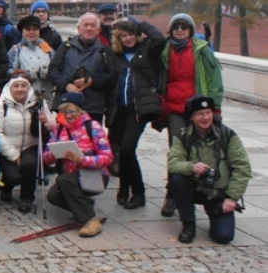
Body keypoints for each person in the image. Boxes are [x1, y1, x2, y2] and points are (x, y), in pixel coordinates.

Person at [159, 13, 223, 218]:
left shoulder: (201, 50)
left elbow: (215, 79)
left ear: (190, 30)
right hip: (173, 107)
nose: (179, 30)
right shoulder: (164, 49)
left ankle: (204, 191)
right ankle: (172, 194)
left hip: (196, 106)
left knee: (202, 148)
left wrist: (215, 108)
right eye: (176, 26)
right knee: (176, 149)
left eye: (183, 27)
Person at [168, 95, 251, 244]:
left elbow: (242, 168)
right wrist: (191, 167)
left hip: (219, 192)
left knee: (223, 236)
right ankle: (188, 224)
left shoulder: (227, 135)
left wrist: (232, 198)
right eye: (200, 114)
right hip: (195, 187)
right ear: (192, 117)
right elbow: (173, 163)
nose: (205, 117)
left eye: (208, 113)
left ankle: (214, 212)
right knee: (177, 180)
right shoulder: (183, 136)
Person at [107, 18, 165, 209]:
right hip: (119, 108)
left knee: (126, 149)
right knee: (122, 152)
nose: (128, 38)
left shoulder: (147, 50)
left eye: (131, 34)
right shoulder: (116, 55)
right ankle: (124, 189)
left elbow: (159, 39)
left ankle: (138, 192)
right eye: (124, 35)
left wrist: (139, 23)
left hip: (138, 108)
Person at [40, 92, 113, 238]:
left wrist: (82, 159)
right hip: (70, 177)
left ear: (80, 110)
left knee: (63, 181)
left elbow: (108, 157)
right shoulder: (59, 129)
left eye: (71, 111)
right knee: (53, 196)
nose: (68, 115)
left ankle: (90, 219)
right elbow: (46, 158)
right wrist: (53, 154)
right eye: (64, 112)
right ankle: (86, 208)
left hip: (94, 175)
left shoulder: (92, 127)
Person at [48, 12, 117, 123]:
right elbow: (52, 71)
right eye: (86, 25)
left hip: (93, 107)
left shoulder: (105, 50)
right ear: (79, 28)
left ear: (98, 30)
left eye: (93, 25)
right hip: (66, 105)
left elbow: (112, 76)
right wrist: (66, 85)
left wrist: (92, 81)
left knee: (90, 139)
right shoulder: (65, 47)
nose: (89, 28)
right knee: (65, 138)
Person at [0, 77, 40, 212]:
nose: (20, 89)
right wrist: (13, 154)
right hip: (7, 147)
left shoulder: (37, 103)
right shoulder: (1, 104)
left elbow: (50, 126)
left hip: (30, 145)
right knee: (14, 177)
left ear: (28, 88)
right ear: (10, 88)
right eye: (16, 86)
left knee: (29, 165)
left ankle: (26, 197)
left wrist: (47, 121)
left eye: (23, 85)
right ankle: (6, 186)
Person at [7, 15, 55, 104]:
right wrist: (26, 75)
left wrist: (48, 73)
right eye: (28, 29)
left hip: (47, 98)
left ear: (39, 31)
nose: (31, 32)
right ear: (22, 32)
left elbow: (57, 70)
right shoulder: (15, 50)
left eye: (35, 29)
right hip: (24, 99)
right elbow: (8, 73)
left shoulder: (48, 50)